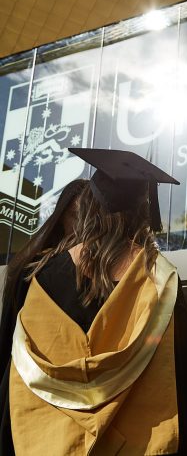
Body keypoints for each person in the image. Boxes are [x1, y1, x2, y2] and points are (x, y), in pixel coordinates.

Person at [8, 148, 187, 455]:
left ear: (89, 207)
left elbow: (19, 374)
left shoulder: (42, 276)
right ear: (143, 212)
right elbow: (185, 380)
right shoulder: (158, 280)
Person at [0, 178, 87, 455]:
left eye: (89, 217)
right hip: (29, 374)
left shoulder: (91, 266)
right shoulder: (40, 266)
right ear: (62, 218)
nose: (82, 225)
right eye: (76, 215)